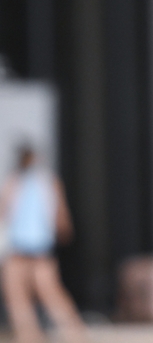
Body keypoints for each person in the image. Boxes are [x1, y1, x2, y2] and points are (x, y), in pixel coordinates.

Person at [0, 145, 86, 343]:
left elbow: (4, 212)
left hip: (26, 249)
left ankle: (66, 333)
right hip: (31, 249)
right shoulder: (43, 182)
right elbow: (62, 218)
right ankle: (40, 335)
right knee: (34, 293)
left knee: (26, 294)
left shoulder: (18, 182)